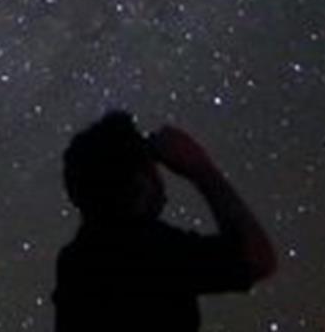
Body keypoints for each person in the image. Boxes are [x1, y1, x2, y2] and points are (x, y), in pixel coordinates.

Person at [53, 110, 277, 331]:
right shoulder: (152, 251)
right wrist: (200, 167)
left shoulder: (75, 263)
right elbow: (257, 258)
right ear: (140, 182)